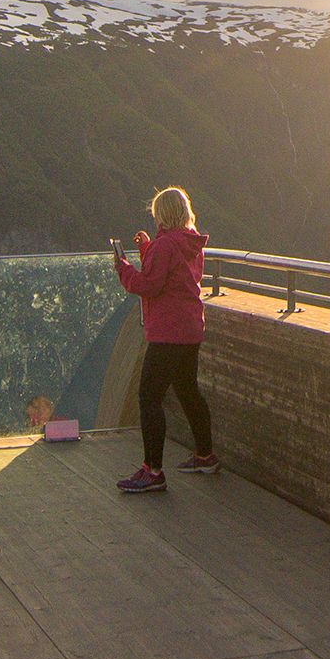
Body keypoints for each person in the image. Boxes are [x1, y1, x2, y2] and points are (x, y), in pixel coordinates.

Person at [108, 186, 216, 495]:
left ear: (162, 213)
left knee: (148, 397)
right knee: (188, 390)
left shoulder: (165, 244)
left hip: (167, 332)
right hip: (190, 329)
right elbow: (173, 275)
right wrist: (147, 251)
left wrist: (124, 268)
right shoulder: (190, 242)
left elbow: (149, 285)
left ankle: (152, 470)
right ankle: (205, 455)